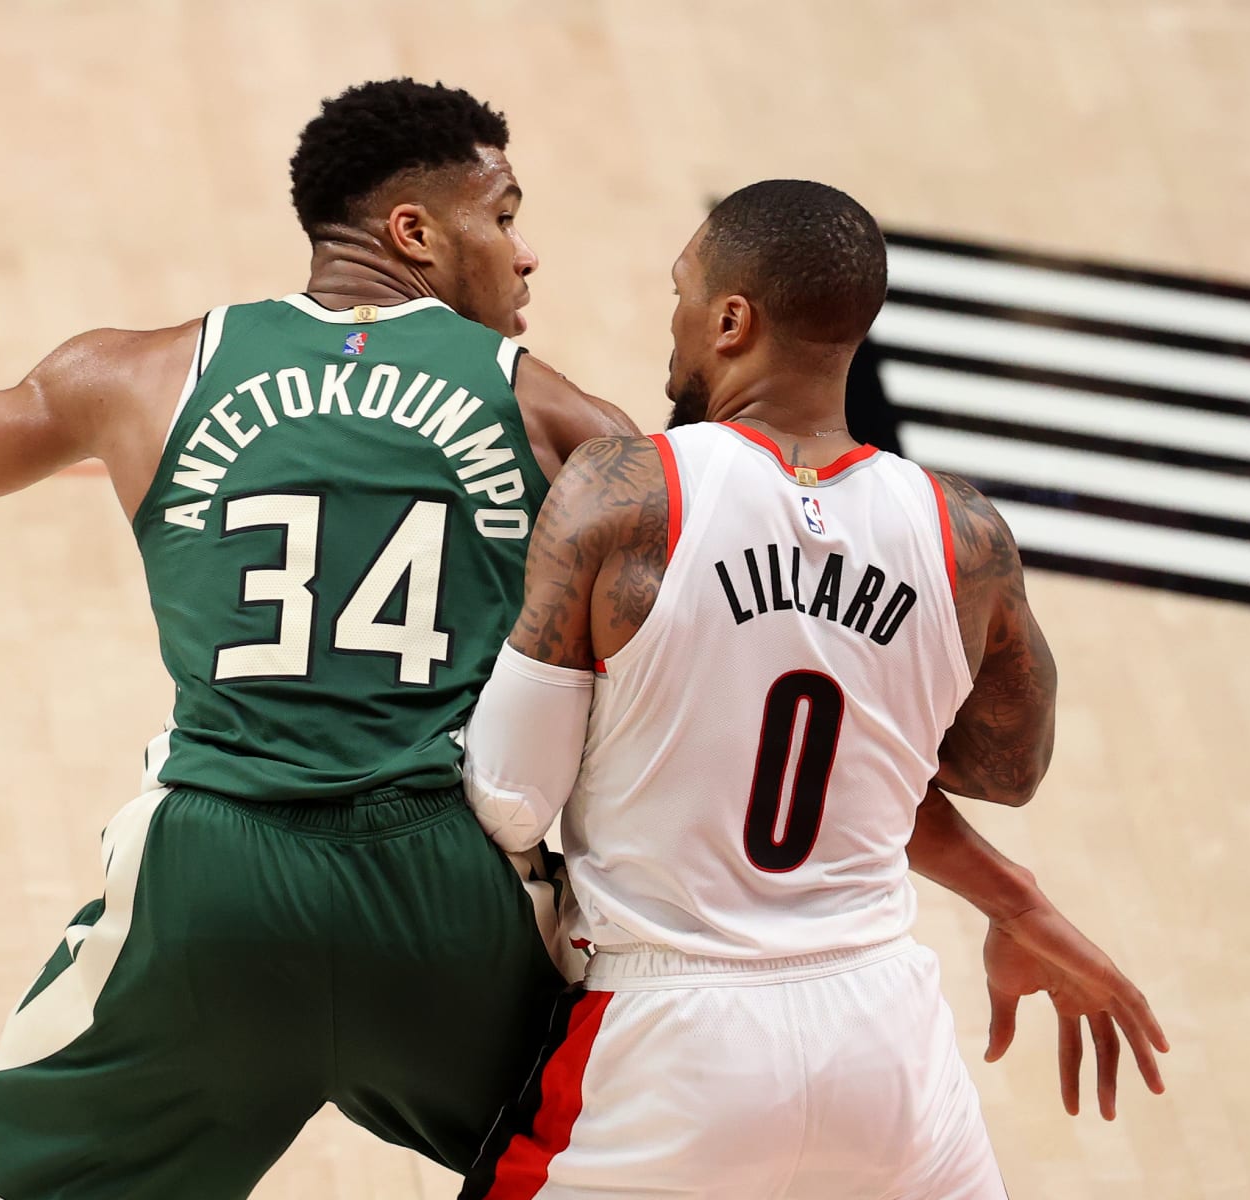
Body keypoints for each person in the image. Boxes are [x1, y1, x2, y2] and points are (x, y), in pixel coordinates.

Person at [0, 84, 1153, 1200]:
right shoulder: (578, 434)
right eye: (504, 217)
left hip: (218, 885)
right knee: (649, 1133)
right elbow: (764, 730)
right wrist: (1017, 895)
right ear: (415, 231)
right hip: (451, 911)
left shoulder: (132, 375)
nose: (529, 258)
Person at [459, 180, 1170, 1198]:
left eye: (680, 292)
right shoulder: (963, 535)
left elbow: (510, 800)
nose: (673, 321)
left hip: (668, 1043)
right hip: (885, 1047)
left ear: (731, 321)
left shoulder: (625, 494)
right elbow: (1007, 771)